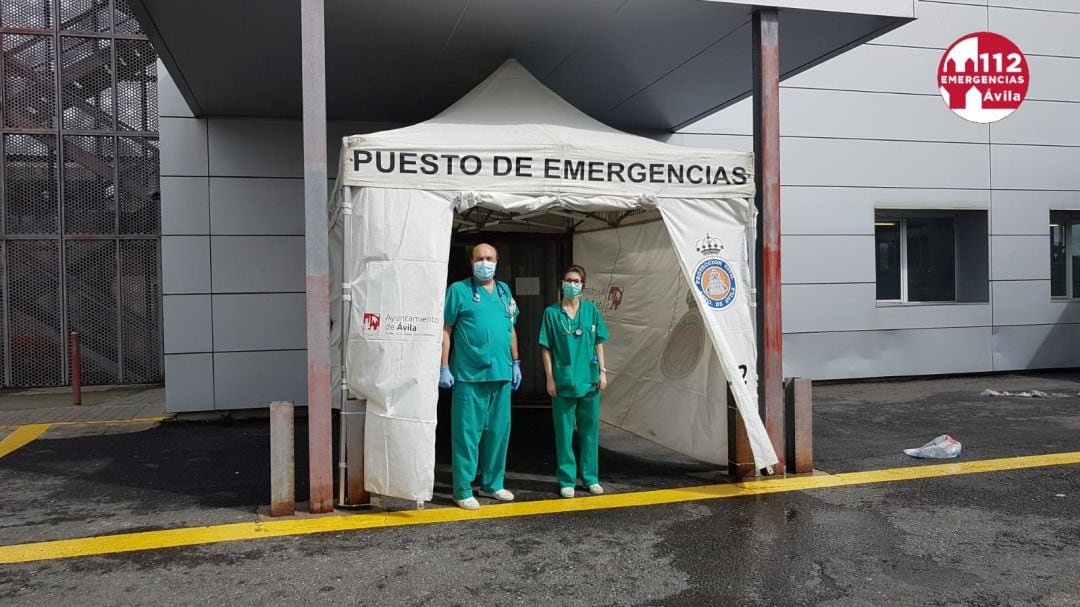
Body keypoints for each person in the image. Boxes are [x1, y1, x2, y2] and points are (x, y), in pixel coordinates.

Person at [439, 243, 522, 510]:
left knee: (499, 432)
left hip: (501, 373)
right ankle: (462, 489)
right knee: (467, 433)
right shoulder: (458, 291)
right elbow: (446, 329)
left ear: (497, 261)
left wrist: (516, 362)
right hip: (470, 375)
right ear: (471, 262)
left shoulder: (503, 291)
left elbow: (510, 328)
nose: (484, 262)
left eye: (489, 258)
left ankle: (493, 483)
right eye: (479, 258)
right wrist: (444, 366)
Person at [538, 265, 610, 498]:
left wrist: (602, 371)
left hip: (589, 379)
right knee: (564, 433)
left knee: (590, 432)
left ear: (583, 286)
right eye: (568, 280)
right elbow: (546, 347)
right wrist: (550, 378)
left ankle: (591, 478)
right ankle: (567, 479)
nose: (572, 284)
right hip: (563, 381)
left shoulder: (590, 311)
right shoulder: (551, 313)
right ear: (562, 283)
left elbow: (599, 341)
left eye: (577, 281)